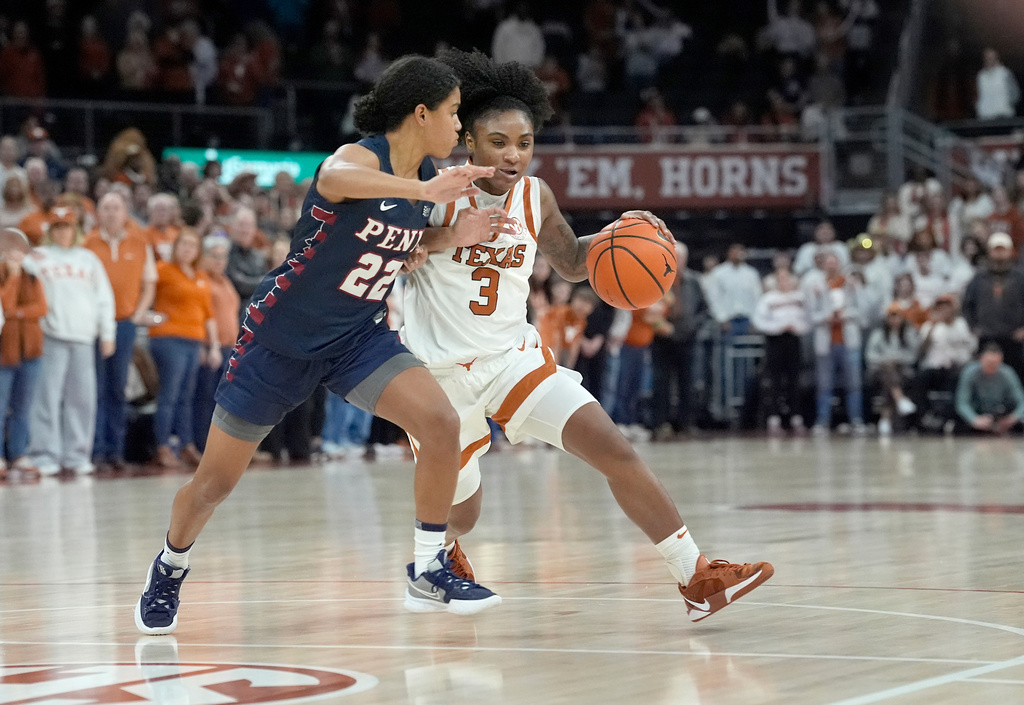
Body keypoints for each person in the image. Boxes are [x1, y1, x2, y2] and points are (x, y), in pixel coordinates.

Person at [135, 54, 513, 635]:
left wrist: (449, 235)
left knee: (441, 424)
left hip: (358, 337)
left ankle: (430, 566)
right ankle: (171, 563)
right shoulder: (365, 158)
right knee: (213, 484)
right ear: (420, 114)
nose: (460, 127)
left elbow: (398, 243)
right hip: (280, 342)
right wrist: (420, 187)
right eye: (453, 113)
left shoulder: (426, 180)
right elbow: (334, 178)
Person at [402, 48, 773, 624]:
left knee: (615, 450)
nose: (513, 155)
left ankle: (695, 575)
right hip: (439, 379)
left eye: (523, 143)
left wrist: (621, 237)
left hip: (512, 360)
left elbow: (573, 262)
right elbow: (395, 253)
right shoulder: (431, 189)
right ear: (468, 142)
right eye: (498, 142)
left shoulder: (535, 197)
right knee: (465, 513)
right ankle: (442, 553)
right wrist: (448, 236)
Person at [23, 220, 116, 475]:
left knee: (82, 399)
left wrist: (108, 333)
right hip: (50, 334)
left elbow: (104, 297)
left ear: (75, 231)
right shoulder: (37, 258)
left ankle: (77, 456)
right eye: (58, 227)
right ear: (50, 231)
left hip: (84, 337)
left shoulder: (88, 259)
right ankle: (44, 455)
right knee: (46, 397)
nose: (63, 232)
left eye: (67, 227)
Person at [84, 192, 157, 472]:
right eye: (106, 208)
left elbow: (149, 281)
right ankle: (96, 450)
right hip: (95, 326)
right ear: (98, 213)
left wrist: (139, 311)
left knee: (118, 387)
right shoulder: (88, 243)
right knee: (96, 388)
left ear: (125, 211)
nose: (112, 213)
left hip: (125, 323)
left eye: (116, 207)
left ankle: (115, 451)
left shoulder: (139, 243)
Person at [148, 229, 221, 468]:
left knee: (186, 397)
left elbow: (208, 313)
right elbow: (146, 295)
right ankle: (163, 446)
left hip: (194, 340)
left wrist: (214, 346)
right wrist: (153, 319)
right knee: (169, 393)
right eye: (184, 244)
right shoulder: (163, 270)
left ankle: (186, 444)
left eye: (193, 245)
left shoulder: (200, 276)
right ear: (175, 246)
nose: (188, 249)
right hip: (169, 339)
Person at [650, 241, 707, 440]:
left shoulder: (695, 281)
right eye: (675, 258)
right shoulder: (655, 278)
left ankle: (686, 424)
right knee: (661, 383)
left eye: (681, 258)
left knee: (688, 383)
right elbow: (647, 307)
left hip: (687, 339)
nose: (678, 262)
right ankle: (660, 424)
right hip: (662, 339)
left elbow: (704, 310)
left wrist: (694, 327)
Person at [0, 237, 47, 475]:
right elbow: (4, 304)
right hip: (4, 352)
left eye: (18, 252)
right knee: (0, 405)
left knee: (23, 405)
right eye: (9, 251)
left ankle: (19, 454)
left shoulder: (33, 277)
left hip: (30, 350)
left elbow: (41, 308)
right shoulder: (6, 277)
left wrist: (17, 313)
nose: (14, 257)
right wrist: (13, 276)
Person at [808, 251, 868, 434]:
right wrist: (826, 317)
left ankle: (856, 420)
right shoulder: (817, 287)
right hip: (827, 342)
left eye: (835, 263)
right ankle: (823, 421)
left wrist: (845, 315)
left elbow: (862, 312)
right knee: (824, 385)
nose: (832, 266)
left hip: (848, 341)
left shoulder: (851, 286)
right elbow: (811, 315)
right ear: (824, 266)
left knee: (854, 385)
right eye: (828, 263)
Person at [752, 268, 809, 434]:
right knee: (774, 380)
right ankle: (773, 418)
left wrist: (796, 328)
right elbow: (759, 321)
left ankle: (796, 417)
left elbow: (807, 319)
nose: (784, 283)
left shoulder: (799, 298)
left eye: (787, 279)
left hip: (793, 340)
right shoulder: (769, 299)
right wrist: (778, 327)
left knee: (794, 380)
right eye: (781, 279)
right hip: (775, 341)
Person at [962, 232, 1024, 381]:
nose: (999, 253)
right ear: (990, 251)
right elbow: (967, 305)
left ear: (1010, 251)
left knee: (1017, 377)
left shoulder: (1020, 278)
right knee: (986, 377)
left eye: (1003, 249)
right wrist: (973, 327)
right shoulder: (979, 278)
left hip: (1014, 339)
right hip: (987, 337)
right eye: (996, 249)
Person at [864, 304, 920, 436]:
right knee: (887, 370)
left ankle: (885, 419)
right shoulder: (878, 334)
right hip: (879, 369)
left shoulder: (909, 333)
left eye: (897, 317)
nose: (894, 320)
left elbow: (913, 355)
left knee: (889, 381)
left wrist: (898, 359)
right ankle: (900, 399)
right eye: (891, 317)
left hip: (902, 370)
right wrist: (885, 360)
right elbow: (870, 355)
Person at [955, 342, 1024, 434]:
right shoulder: (969, 373)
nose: (992, 366)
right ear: (981, 359)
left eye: (996, 363)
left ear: (1001, 361)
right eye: (989, 363)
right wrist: (974, 419)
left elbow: (1021, 401)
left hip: (1002, 414)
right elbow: (962, 402)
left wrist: (1013, 418)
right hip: (977, 415)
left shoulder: (1008, 373)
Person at [976, 47, 1020, 120]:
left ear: (997, 58)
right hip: (985, 117)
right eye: (987, 57)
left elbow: (1015, 95)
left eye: (991, 57)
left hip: (1003, 115)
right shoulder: (981, 76)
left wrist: (1006, 105)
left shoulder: (1005, 73)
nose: (989, 59)